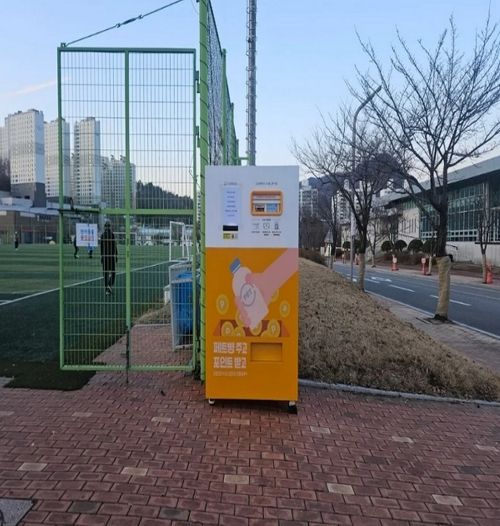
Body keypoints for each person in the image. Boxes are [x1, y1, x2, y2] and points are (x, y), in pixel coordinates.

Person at [100, 221, 117, 295]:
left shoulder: (102, 235)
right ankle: (110, 285)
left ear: (105, 227)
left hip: (105, 256)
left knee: (105, 273)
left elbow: (101, 247)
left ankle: (107, 288)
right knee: (113, 272)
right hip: (111, 256)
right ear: (109, 226)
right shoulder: (112, 235)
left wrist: (102, 256)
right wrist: (116, 255)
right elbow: (114, 246)